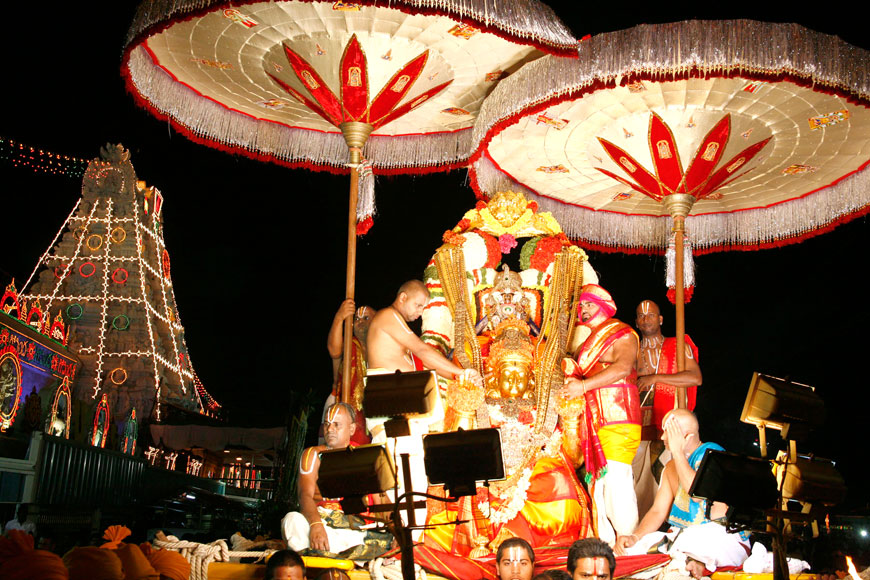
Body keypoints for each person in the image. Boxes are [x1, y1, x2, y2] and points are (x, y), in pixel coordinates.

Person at [614, 410, 750, 578]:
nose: (662, 437)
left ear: (686, 436)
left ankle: (695, 563)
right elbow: (657, 511)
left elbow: (697, 493)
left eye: (668, 432)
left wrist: (678, 452)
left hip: (720, 536)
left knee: (690, 541)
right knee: (632, 551)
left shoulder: (713, 453)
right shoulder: (671, 467)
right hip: (684, 536)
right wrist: (636, 537)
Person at [564, 284, 641, 545]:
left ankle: (629, 548)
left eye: (589, 303)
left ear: (605, 303)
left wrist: (582, 386)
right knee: (598, 487)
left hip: (618, 415)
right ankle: (606, 548)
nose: (583, 310)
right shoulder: (588, 342)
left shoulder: (622, 333)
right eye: (580, 306)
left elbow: (622, 368)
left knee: (617, 482)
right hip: (594, 419)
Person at [281, 402, 391, 559]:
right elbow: (304, 495)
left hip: (352, 532)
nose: (330, 429)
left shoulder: (365, 457)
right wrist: (316, 525)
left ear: (351, 429)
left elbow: (383, 503)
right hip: (321, 525)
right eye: (327, 424)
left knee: (384, 538)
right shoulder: (312, 455)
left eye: (336, 425)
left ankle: (322, 554)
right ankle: (329, 554)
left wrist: (396, 528)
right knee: (292, 520)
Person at [633, 299, 702, 515]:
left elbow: (695, 377)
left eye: (651, 314)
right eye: (641, 316)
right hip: (636, 428)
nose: (646, 319)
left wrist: (655, 378)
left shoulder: (678, 346)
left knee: (665, 479)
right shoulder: (630, 349)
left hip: (667, 429)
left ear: (661, 319)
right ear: (636, 322)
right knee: (634, 487)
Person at [367, 280, 481, 384]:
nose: (421, 312)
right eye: (418, 305)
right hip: (388, 391)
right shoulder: (388, 315)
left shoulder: (399, 329)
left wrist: (464, 376)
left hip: (402, 392)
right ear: (403, 298)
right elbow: (422, 350)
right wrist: (462, 373)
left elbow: (429, 362)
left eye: (423, 307)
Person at [324, 299, 374, 444]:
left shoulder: (381, 346)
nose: (360, 321)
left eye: (366, 318)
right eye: (356, 318)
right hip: (344, 411)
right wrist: (340, 317)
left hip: (373, 413)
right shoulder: (348, 344)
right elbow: (334, 351)